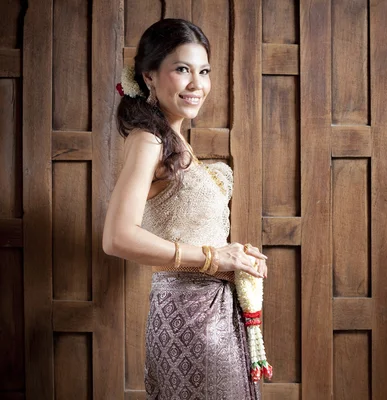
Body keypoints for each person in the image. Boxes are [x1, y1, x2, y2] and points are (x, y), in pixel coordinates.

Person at [102, 18, 265, 399]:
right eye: (182, 70)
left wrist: (235, 257)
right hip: (190, 316)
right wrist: (213, 258)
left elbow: (192, 229)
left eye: (204, 71)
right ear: (149, 77)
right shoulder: (149, 141)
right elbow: (116, 237)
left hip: (215, 311)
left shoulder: (173, 141)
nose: (197, 84)